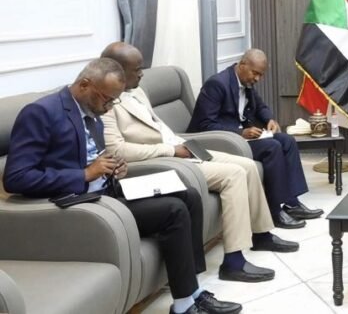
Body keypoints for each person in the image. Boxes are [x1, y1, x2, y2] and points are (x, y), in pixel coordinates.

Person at [3, 58, 241, 314]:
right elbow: (17, 177)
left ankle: (193, 291)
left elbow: (94, 157)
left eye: (113, 101)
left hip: (107, 192)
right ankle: (183, 306)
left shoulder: (92, 112)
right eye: (107, 100)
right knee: (173, 210)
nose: (108, 108)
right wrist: (84, 174)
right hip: (78, 205)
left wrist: (115, 169)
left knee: (189, 195)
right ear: (85, 85)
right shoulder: (41, 113)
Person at [100, 42, 298, 284]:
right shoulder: (106, 103)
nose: (142, 74)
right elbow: (117, 150)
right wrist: (171, 149)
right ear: (118, 70)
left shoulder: (137, 91)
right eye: (137, 69)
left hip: (181, 146)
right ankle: (234, 262)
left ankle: (261, 235)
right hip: (162, 159)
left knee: (247, 165)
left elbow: (158, 128)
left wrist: (180, 144)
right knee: (234, 175)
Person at [187, 49, 322, 229]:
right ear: (242, 65)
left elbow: (260, 107)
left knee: (287, 141)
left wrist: (270, 119)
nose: (257, 78)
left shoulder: (246, 82)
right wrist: (240, 132)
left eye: (261, 75)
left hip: (238, 138)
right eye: (255, 73)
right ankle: (274, 212)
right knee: (272, 147)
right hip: (219, 141)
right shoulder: (217, 84)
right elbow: (204, 125)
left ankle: (292, 204)